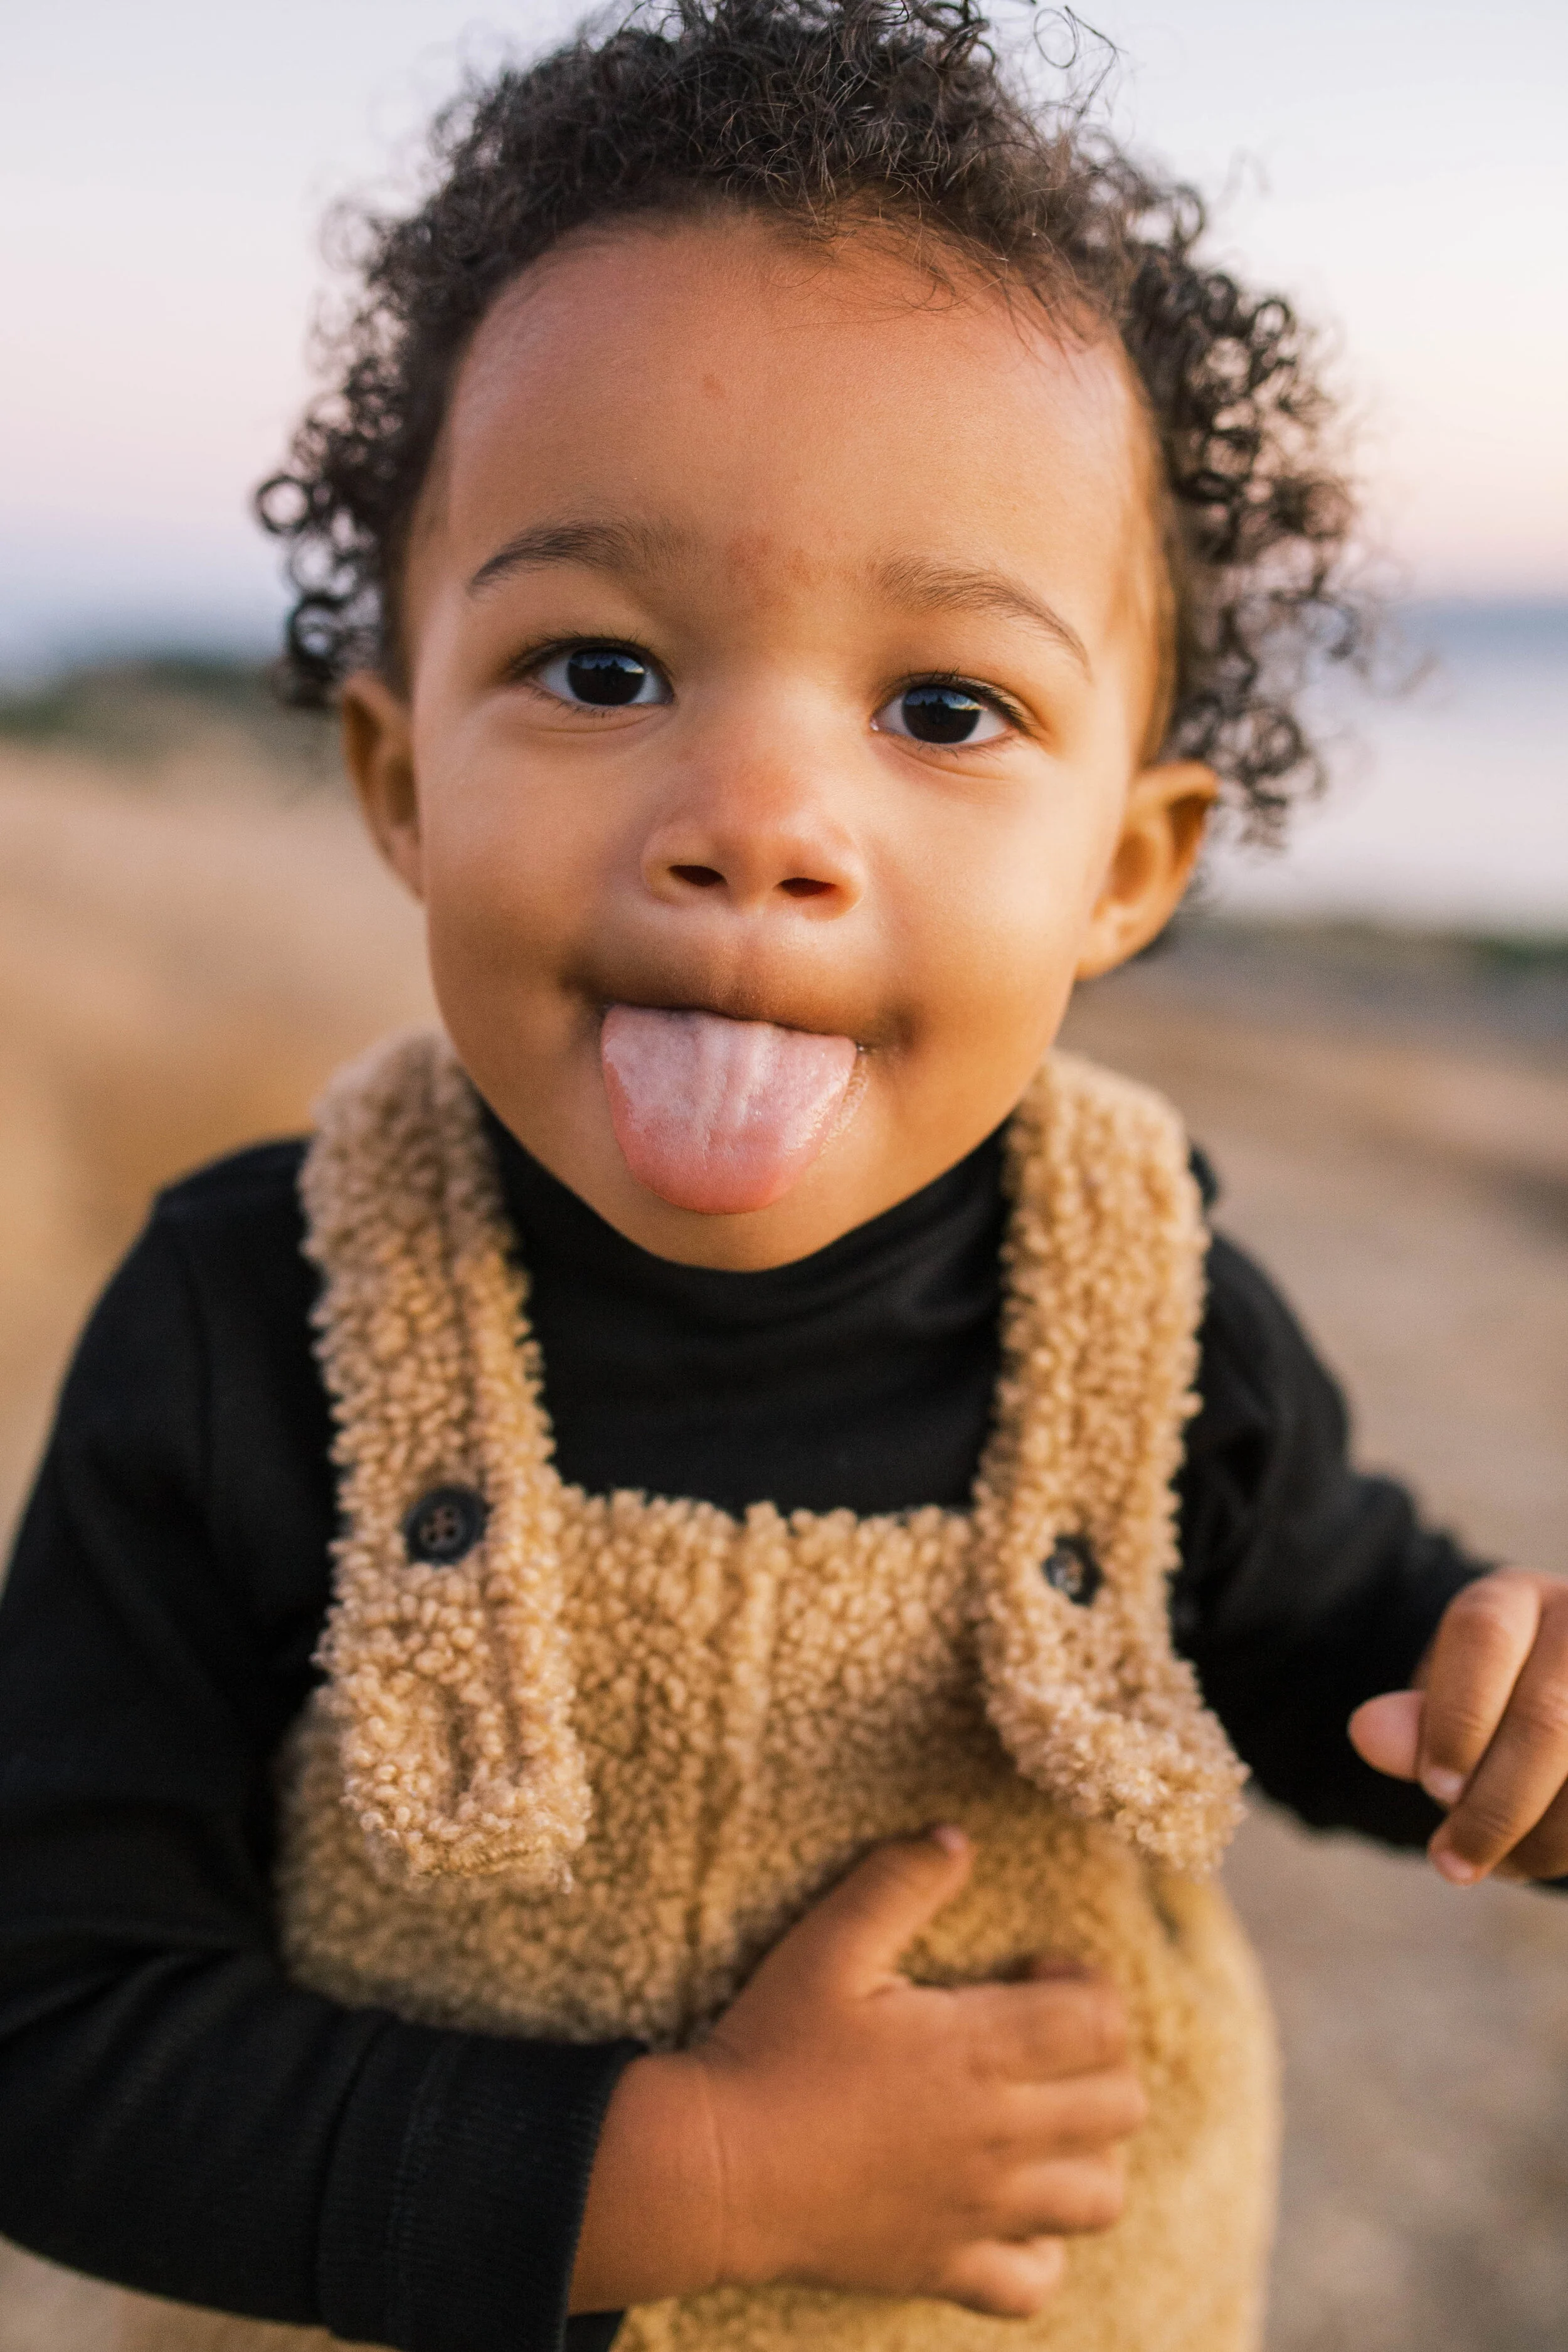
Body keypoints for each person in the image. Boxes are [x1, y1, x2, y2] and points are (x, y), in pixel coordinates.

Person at [1, 6, 1564, 2350]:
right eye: (599, 670)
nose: (754, 822)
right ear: (402, 778)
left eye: (942, 708)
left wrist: (1516, 1727)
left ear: (1126, 870)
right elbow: (53, 2040)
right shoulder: (255, 1321)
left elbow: (1355, 1654)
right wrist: (692, 2169)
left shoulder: (1146, 1317)